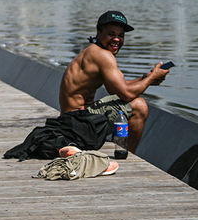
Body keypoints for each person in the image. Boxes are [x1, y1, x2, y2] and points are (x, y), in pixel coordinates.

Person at [59, 11, 169, 152]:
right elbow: (126, 94)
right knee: (139, 105)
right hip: (77, 125)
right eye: (111, 34)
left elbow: (118, 87)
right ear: (99, 33)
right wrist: (152, 78)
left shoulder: (93, 51)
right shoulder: (103, 55)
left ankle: (121, 149)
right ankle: (128, 154)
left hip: (73, 120)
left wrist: (146, 78)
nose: (117, 39)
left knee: (132, 100)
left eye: (121, 35)